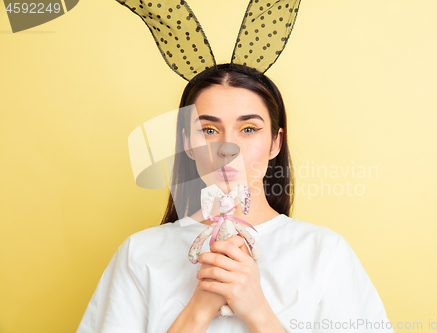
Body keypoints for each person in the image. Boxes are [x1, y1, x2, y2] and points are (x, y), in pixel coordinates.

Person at [76, 63, 394, 333]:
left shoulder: (324, 253)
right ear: (186, 141)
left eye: (249, 129)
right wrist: (198, 311)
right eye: (209, 130)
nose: (228, 147)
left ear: (275, 142)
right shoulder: (140, 254)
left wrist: (257, 311)